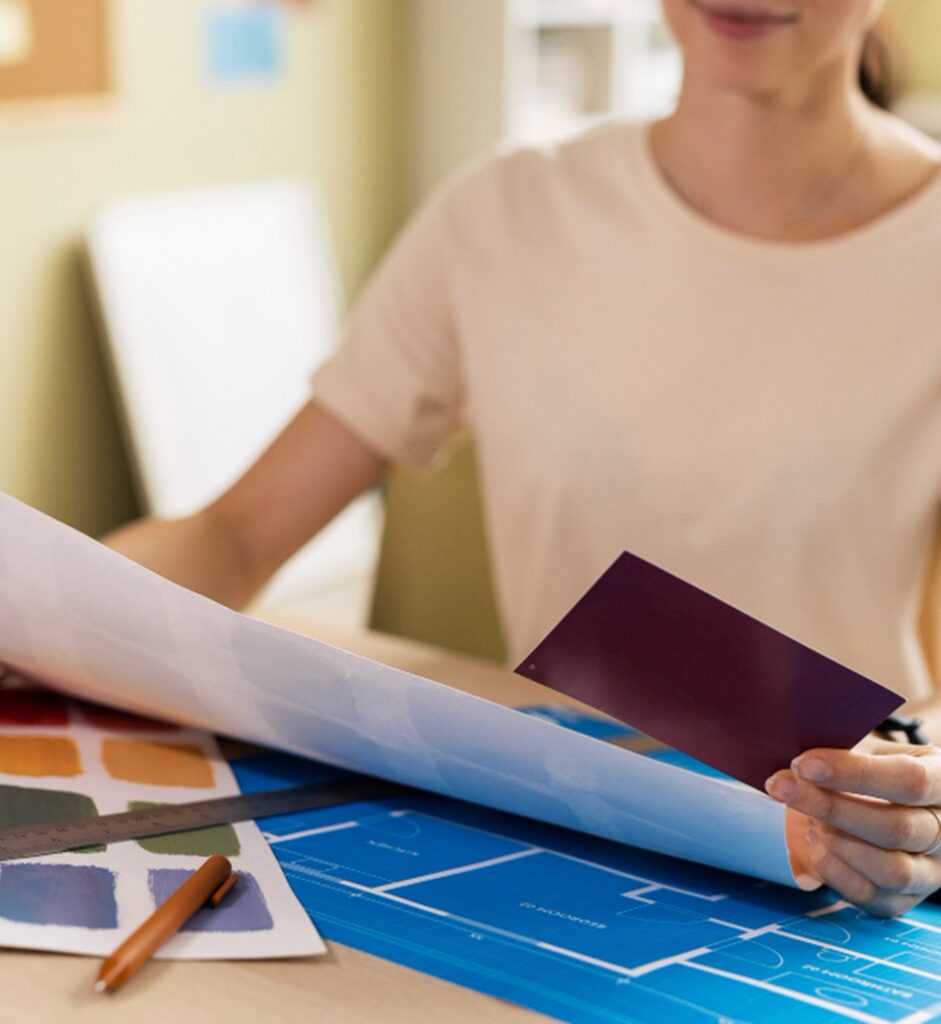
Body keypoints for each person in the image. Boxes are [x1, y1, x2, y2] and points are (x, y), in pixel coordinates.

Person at [107, 0, 941, 917]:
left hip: (843, 858)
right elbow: (235, 532)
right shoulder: (503, 212)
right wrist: (45, 609)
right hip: (569, 826)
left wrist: (929, 797)